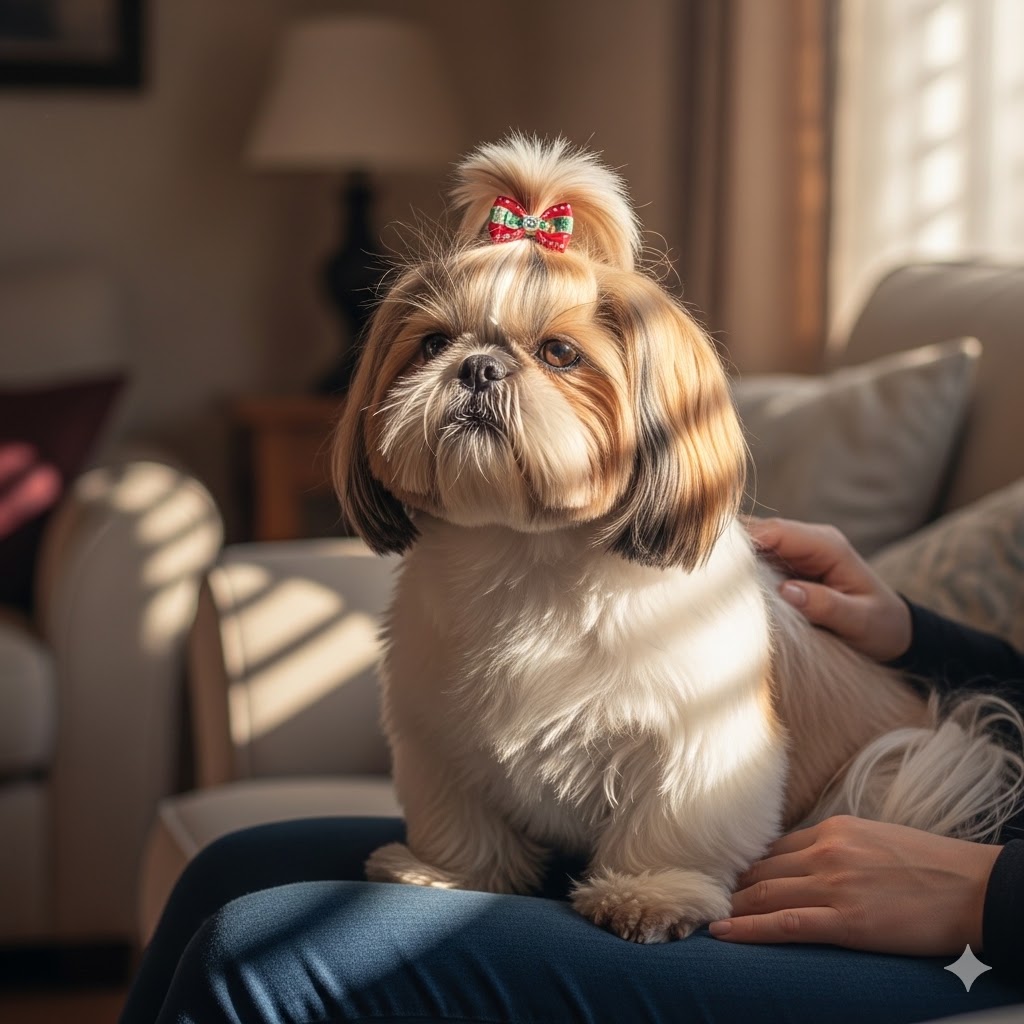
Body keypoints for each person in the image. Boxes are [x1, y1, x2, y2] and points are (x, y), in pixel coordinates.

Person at [118, 518, 1024, 1024]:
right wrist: (915, 633)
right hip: (914, 812)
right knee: (229, 871)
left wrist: (993, 893)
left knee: (267, 957)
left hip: (970, 898)